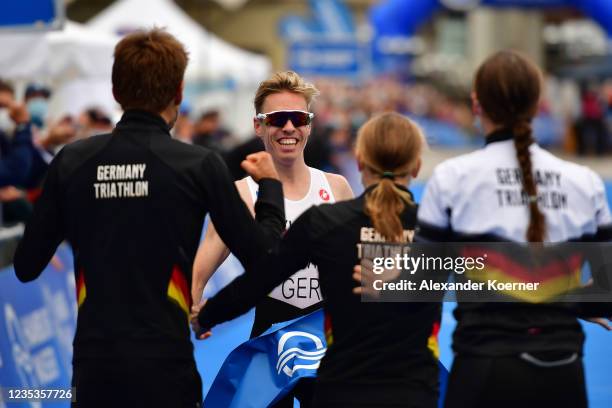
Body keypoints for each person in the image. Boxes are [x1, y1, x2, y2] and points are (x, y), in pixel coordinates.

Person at [13, 29, 286, 408]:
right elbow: (266, 259)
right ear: (178, 93)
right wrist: (271, 188)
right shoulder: (197, 165)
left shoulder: (72, 162)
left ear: (115, 91)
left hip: (95, 370)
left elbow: (26, 266)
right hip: (165, 367)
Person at [194, 112, 441, 408]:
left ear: (359, 161)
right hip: (415, 391)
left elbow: (259, 281)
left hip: (342, 389)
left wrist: (206, 316)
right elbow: (499, 280)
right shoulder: (437, 228)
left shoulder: (326, 223)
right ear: (416, 166)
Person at [416, 50, 612, 408]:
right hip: (564, 370)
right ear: (538, 105)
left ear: (477, 104)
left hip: (484, 368)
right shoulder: (586, 182)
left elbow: (418, 286)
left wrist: (377, 277)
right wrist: (557, 297)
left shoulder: (453, 177)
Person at [191, 70, 353, 408]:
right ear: (258, 126)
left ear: (309, 125)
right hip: (268, 341)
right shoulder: (241, 193)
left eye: (298, 118)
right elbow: (202, 266)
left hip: (327, 339)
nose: (289, 128)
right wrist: (193, 312)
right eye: (278, 119)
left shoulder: (336, 187)